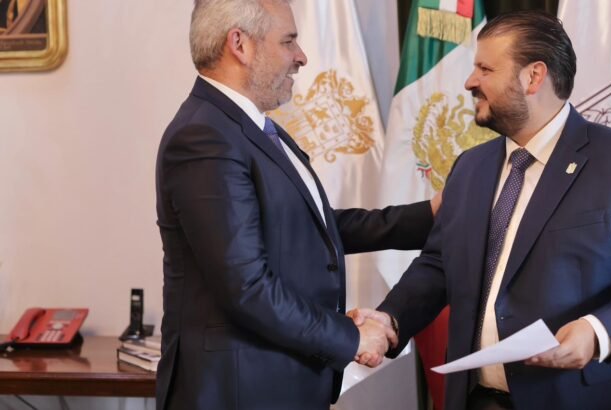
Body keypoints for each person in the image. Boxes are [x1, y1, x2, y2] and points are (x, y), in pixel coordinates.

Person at [350, 10, 611, 410]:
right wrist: (391, 319)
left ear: (534, 77)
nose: (470, 82)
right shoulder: (471, 166)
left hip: (584, 399)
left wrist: (596, 331)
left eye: (485, 69)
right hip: (477, 400)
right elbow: (439, 264)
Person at [154, 0, 438, 408]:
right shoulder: (203, 136)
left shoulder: (248, 126)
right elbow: (247, 287)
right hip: (239, 393)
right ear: (239, 44)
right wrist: (351, 337)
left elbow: (310, 226)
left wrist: (428, 216)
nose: (301, 56)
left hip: (274, 383)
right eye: (288, 41)